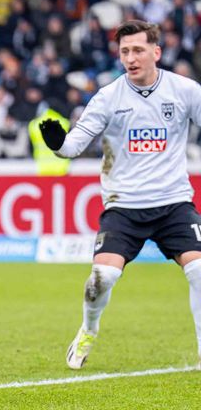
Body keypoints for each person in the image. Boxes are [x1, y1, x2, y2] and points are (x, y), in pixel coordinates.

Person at [39, 20, 201, 370]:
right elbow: (72, 146)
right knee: (102, 279)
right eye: (125, 51)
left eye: (138, 50)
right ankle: (88, 329)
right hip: (124, 208)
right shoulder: (109, 97)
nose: (131, 57)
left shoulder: (186, 91)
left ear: (156, 52)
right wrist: (58, 144)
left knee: (200, 270)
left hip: (174, 203)